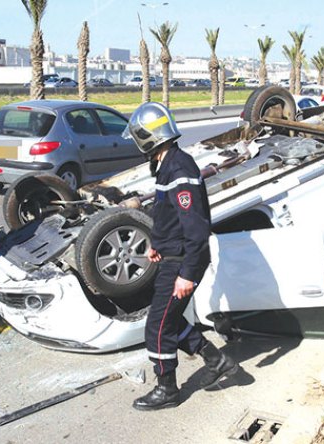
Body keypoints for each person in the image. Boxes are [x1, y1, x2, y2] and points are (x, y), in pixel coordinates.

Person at [123, 102, 237, 411]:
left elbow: (195, 227)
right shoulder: (167, 164)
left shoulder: (179, 168)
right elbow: (169, 216)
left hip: (183, 261)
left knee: (157, 326)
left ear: (150, 136)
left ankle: (167, 389)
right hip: (172, 255)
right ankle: (217, 360)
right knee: (168, 321)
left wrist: (187, 273)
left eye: (139, 135)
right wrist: (158, 244)